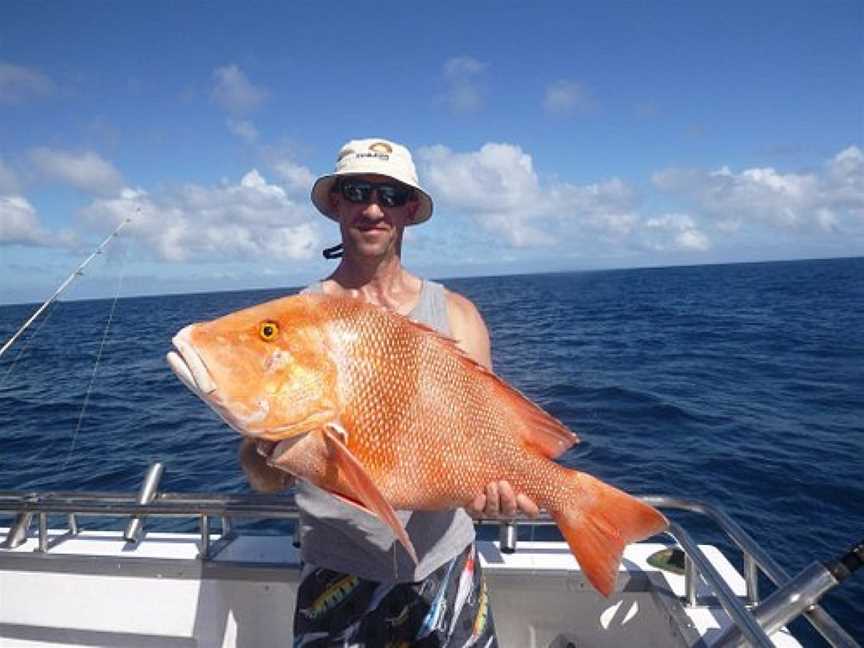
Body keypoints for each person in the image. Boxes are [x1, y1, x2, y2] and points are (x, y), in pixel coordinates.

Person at [240, 137, 539, 646]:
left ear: (410, 210)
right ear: (337, 203)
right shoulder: (297, 321)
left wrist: (499, 496)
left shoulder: (457, 316)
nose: (373, 208)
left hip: (445, 567)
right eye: (358, 191)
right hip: (335, 574)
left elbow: (491, 439)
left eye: (391, 195)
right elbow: (263, 480)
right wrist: (267, 451)